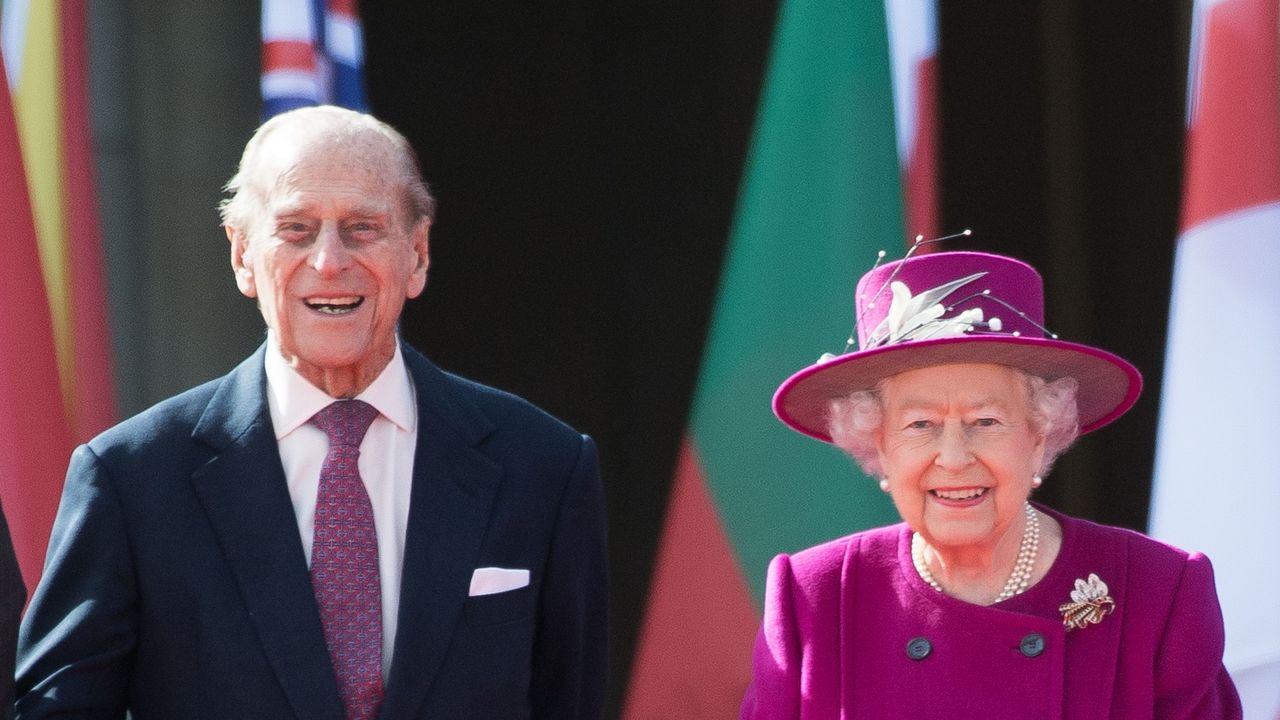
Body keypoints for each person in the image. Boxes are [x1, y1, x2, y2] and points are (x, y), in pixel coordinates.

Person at [15, 106, 608, 719]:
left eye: (362, 228)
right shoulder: (131, 480)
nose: (329, 261)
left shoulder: (543, 468)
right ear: (243, 256)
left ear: (419, 254)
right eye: (296, 229)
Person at [741, 249, 1241, 718]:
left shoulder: (1158, 591)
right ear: (878, 447)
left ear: (1040, 436)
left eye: (986, 421)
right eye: (920, 425)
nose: (955, 458)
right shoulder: (813, 597)